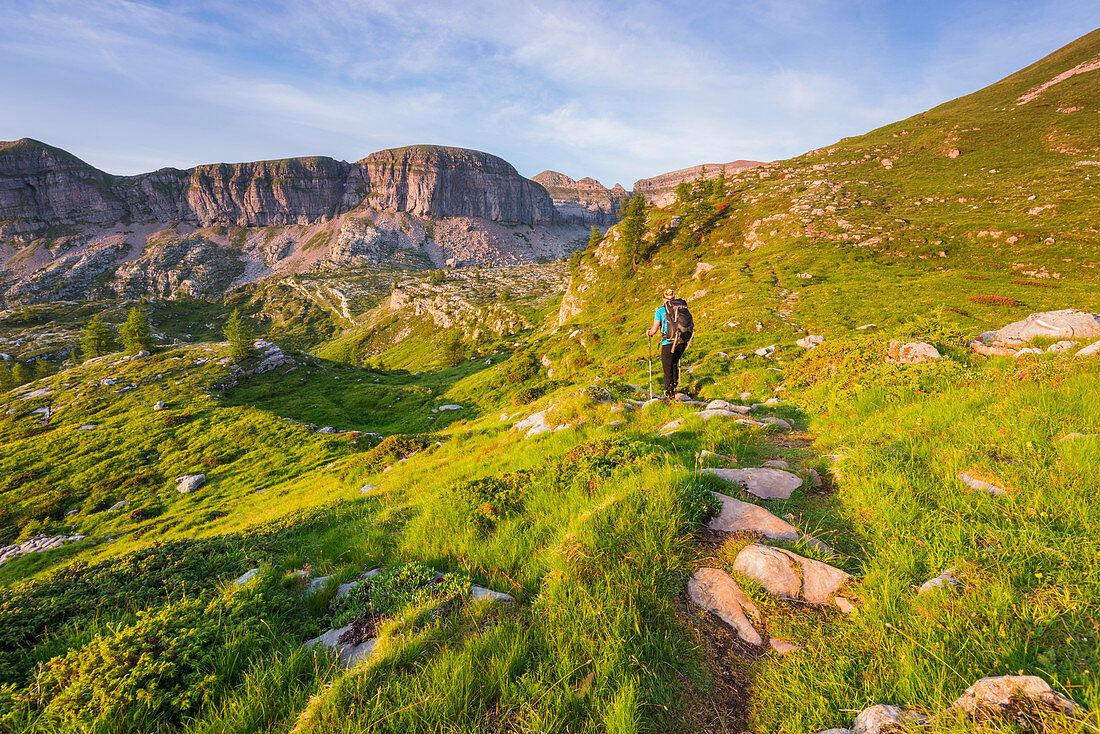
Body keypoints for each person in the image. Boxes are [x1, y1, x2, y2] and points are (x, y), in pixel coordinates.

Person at [645, 287, 688, 399]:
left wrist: (649, 332)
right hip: (681, 341)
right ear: (673, 299)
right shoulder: (680, 308)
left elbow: (654, 330)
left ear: (663, 299)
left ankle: (669, 393)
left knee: (667, 367)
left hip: (668, 342)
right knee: (674, 363)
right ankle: (674, 387)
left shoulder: (660, 311)